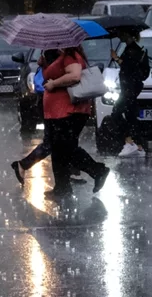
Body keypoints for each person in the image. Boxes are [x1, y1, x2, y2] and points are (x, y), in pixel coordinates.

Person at [10, 49, 93, 184]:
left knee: (60, 144)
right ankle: (71, 177)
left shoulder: (67, 56)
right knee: (58, 144)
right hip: (56, 108)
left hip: (62, 107)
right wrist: (45, 65)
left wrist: (52, 78)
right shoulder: (56, 55)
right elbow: (53, 77)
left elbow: (70, 76)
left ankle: (71, 176)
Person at [40, 45, 110, 198]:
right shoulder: (61, 55)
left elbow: (75, 76)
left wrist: (54, 83)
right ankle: (62, 187)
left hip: (69, 111)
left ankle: (97, 170)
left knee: (66, 148)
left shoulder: (70, 55)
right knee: (58, 149)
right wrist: (44, 64)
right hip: (57, 112)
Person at [111, 29, 148, 158]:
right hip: (130, 87)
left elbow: (128, 66)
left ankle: (129, 141)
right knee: (131, 115)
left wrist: (116, 58)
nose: (119, 35)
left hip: (129, 88)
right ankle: (139, 146)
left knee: (116, 112)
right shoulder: (130, 48)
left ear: (128, 34)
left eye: (122, 33)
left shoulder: (133, 49)